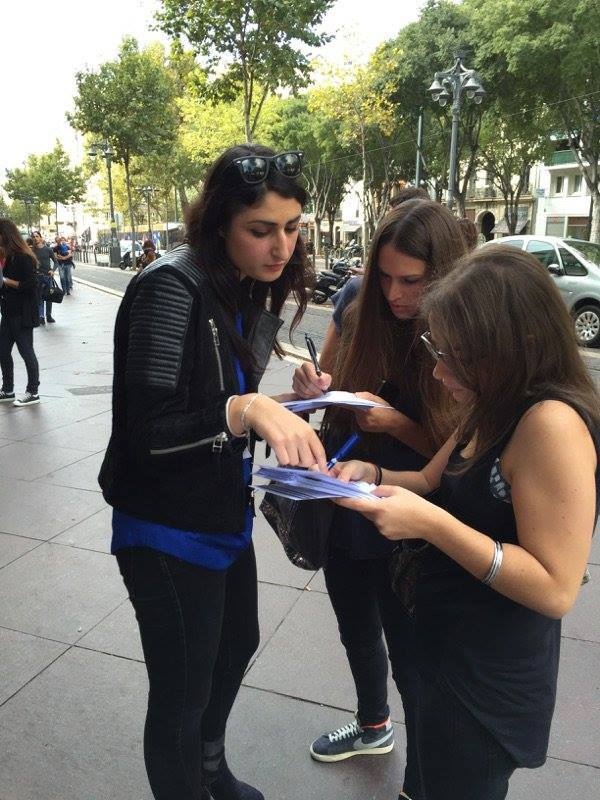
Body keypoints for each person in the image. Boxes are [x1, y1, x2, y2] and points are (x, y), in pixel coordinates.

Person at [98, 144, 327, 800]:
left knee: (235, 645)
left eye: (291, 227)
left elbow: (223, 409)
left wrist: (289, 405)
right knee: (182, 691)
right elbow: (148, 434)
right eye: (261, 230)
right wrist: (244, 406)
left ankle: (207, 770)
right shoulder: (171, 286)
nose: (280, 246)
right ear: (220, 222)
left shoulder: (244, 286)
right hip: (164, 527)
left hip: (219, 512)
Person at [332, 244, 600, 800]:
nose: (437, 369)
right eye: (437, 348)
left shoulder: (551, 423)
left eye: (453, 355)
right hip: (443, 646)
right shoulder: (492, 400)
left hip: (486, 678)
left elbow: (555, 587)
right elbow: (431, 481)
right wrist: (369, 470)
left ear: (511, 348)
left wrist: (429, 525)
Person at [292, 200, 468, 798]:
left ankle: (421, 783)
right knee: (354, 621)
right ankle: (373, 726)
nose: (393, 293)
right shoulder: (356, 301)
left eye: (411, 281)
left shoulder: (461, 326)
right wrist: (315, 388)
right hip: (345, 486)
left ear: (442, 272)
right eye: (385, 275)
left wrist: (395, 425)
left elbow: (461, 448)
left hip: (411, 501)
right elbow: (333, 384)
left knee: (412, 652)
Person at [0, 219, 41, 406]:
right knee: (2, 351)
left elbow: (31, 285)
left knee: (26, 352)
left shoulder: (23, 257)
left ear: (6, 235)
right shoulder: (7, 255)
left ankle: (33, 392)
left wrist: (5, 281)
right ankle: (7, 389)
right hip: (8, 312)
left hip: (22, 314)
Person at [31, 231, 57, 324]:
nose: (35, 238)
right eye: (33, 237)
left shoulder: (48, 249)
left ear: (41, 238)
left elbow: (56, 262)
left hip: (48, 276)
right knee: (39, 297)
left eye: (37, 236)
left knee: (49, 297)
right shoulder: (31, 251)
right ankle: (41, 317)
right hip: (37, 277)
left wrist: (52, 270)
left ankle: (48, 316)